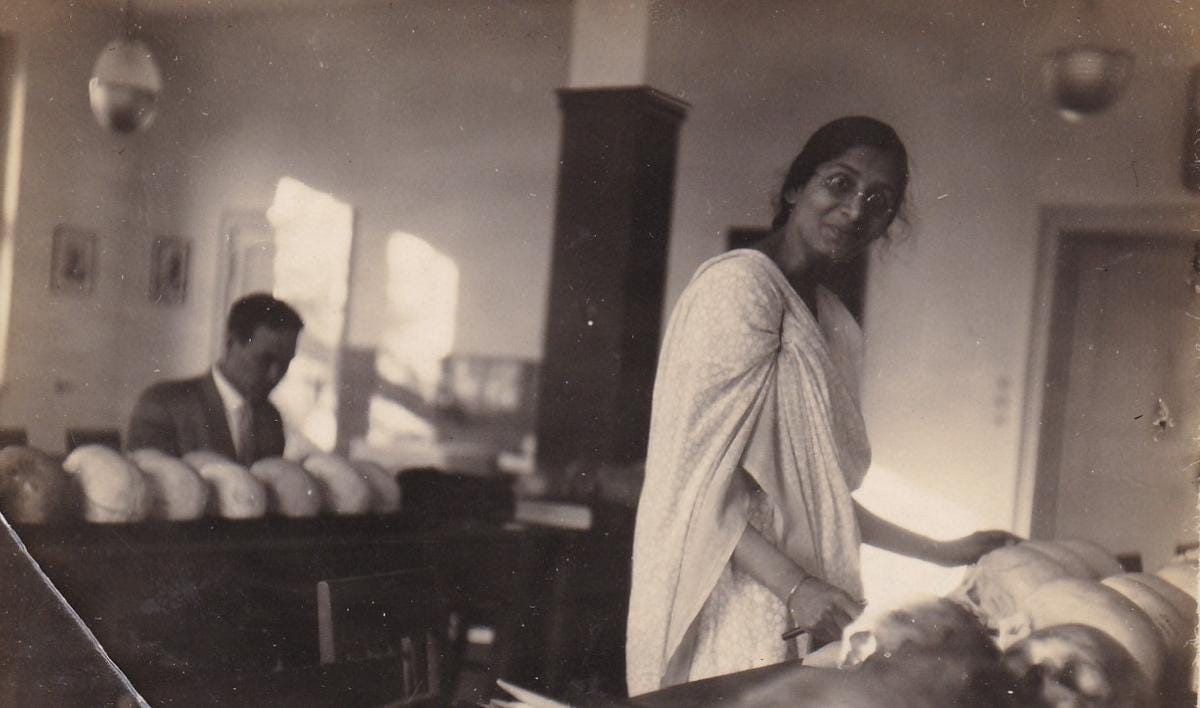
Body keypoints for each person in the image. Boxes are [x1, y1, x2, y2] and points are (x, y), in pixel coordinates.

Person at [625, 116, 1019, 695]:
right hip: (727, 596)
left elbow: (819, 498)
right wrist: (793, 587)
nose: (855, 210)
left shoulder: (831, 320)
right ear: (795, 189)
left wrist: (941, 551)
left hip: (808, 601)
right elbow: (692, 486)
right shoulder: (741, 289)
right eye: (839, 183)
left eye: (877, 200)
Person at [127, 293, 303, 465]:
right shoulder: (162, 404)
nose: (275, 375)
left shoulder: (270, 418)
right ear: (230, 343)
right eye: (265, 359)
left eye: (285, 362)